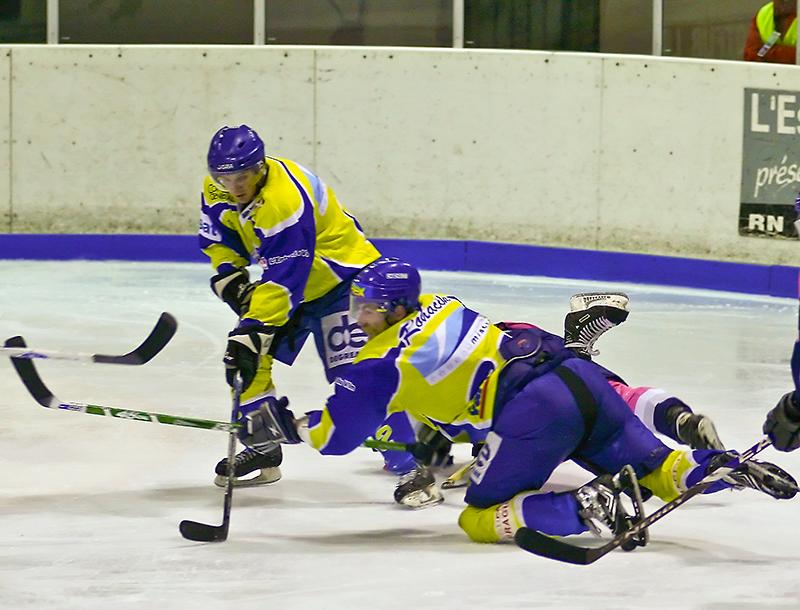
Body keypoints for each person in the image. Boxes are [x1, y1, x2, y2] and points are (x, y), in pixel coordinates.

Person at [236, 258, 797, 543]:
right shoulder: (439, 301)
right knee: (660, 467)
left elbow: (336, 437)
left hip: (535, 412)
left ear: (395, 310)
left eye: (369, 308)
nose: (359, 316)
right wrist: (426, 433)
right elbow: (441, 385)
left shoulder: (381, 362)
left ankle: (583, 508)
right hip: (578, 375)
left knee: (477, 518)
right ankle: (728, 468)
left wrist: (289, 423)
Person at [198, 125, 418, 486]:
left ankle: (410, 463)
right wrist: (229, 276)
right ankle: (264, 444)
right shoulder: (215, 188)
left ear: (261, 167)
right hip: (287, 284)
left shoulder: (284, 201)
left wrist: (252, 328)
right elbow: (219, 237)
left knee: (356, 378)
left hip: (341, 283)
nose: (235, 186)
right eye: (225, 178)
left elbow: (287, 279)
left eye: (244, 176)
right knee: (246, 364)